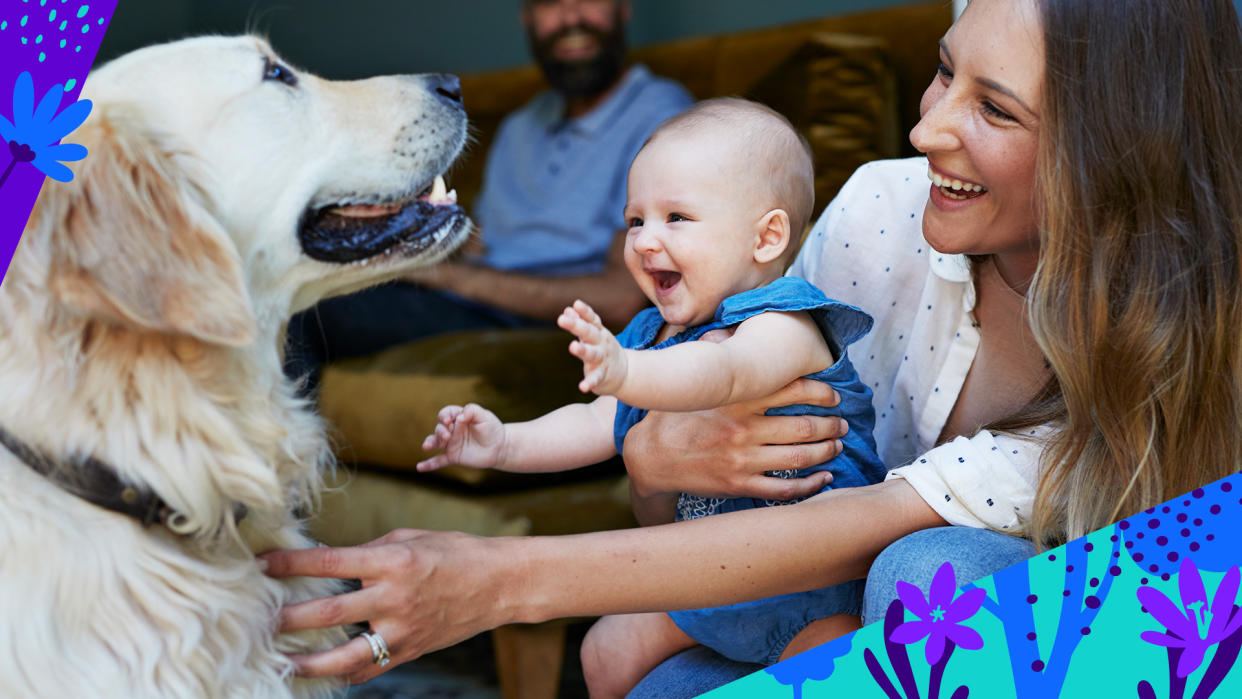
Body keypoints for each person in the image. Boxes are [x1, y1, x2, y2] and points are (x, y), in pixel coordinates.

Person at [261, 0, 1242, 695]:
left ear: (1111, 153)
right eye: (947, 68)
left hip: (950, 602)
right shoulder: (879, 211)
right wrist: (645, 450)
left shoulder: (1154, 355)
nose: (924, 123)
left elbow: (864, 521)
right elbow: (691, 465)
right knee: (629, 667)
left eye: (995, 108)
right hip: (785, 569)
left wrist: (497, 582)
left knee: (933, 574)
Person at [417, 99, 887, 695]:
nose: (644, 241)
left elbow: (723, 372)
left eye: (677, 218)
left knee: (842, 668)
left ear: (766, 237)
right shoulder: (651, 337)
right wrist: (503, 444)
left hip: (812, 591)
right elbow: (596, 424)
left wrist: (626, 371)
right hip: (700, 581)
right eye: (635, 220)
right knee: (604, 650)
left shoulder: (786, 323)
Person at [284, 0, 693, 388]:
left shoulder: (661, 115)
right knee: (295, 285)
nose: (570, 17)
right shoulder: (520, 126)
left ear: (623, 9)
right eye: (549, 3)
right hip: (467, 302)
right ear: (527, 19)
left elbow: (623, 299)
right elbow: (480, 245)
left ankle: (269, 462)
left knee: (302, 313)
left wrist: (440, 274)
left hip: (540, 322)